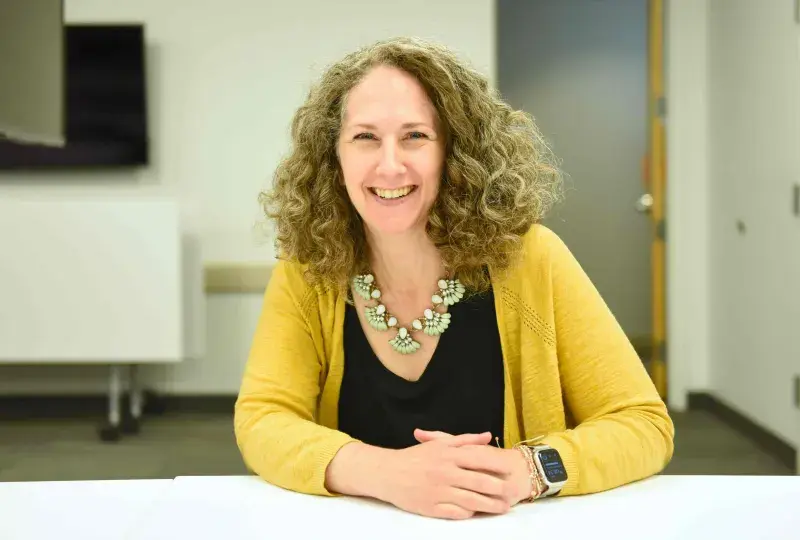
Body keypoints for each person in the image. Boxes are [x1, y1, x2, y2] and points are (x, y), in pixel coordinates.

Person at [234, 36, 674, 520]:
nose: (389, 164)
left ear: (455, 152)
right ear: (333, 160)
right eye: (364, 137)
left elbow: (643, 424)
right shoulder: (308, 268)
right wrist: (384, 472)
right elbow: (263, 419)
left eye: (415, 136)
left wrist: (526, 469)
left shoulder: (530, 258)